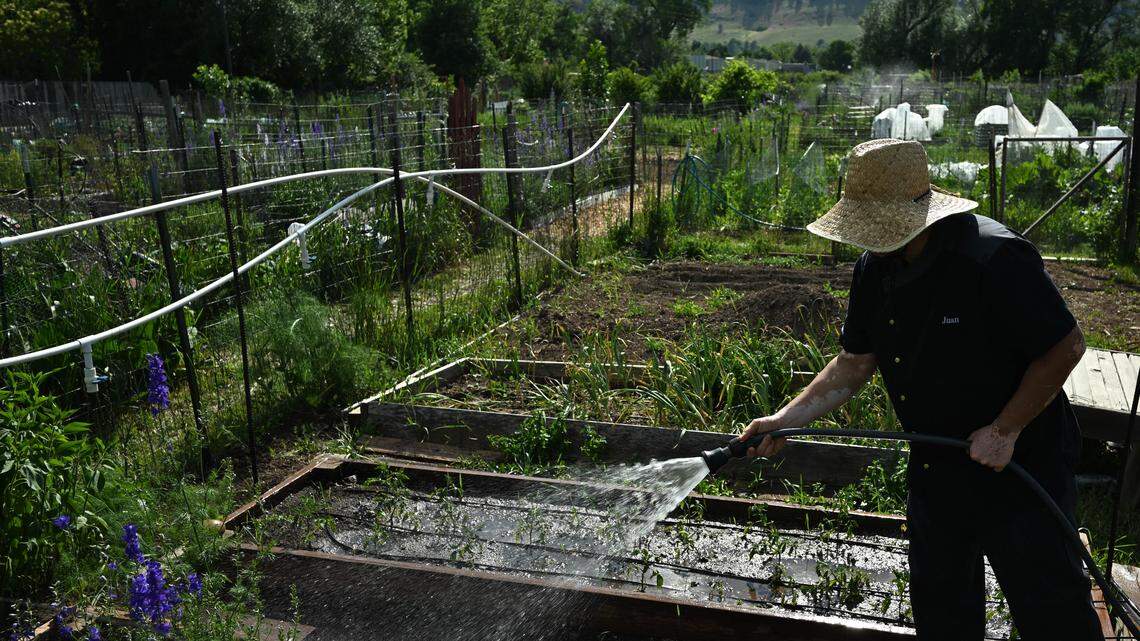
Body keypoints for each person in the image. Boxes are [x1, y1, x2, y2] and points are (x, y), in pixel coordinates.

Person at [740, 138, 1102, 639]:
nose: (871, 239)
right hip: (937, 465)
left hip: (1021, 464)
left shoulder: (993, 258)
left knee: (1051, 611)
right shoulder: (874, 269)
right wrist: (784, 420)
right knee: (943, 613)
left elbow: (1065, 347)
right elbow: (853, 363)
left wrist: (1005, 429)